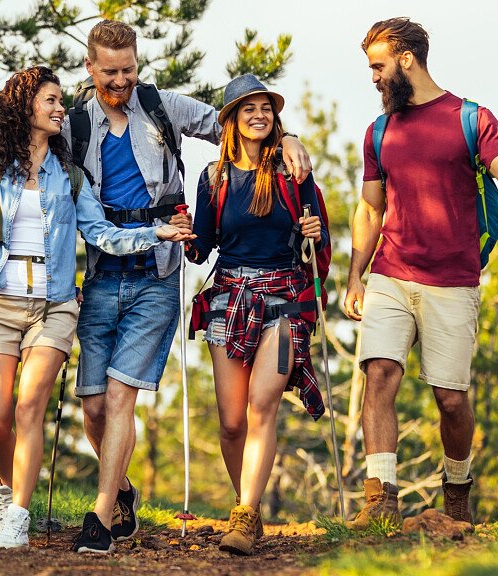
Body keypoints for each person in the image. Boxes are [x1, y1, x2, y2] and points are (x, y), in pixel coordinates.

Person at [66, 19, 313, 554]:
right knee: (93, 409)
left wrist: (288, 133)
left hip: (158, 269)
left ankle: (101, 518)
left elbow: (236, 123)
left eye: (129, 69)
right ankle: (125, 496)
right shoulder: (73, 125)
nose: (121, 80)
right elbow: (36, 162)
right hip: (104, 268)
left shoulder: (162, 106)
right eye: (109, 72)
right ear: (90, 69)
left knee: (121, 393)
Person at [0, 66, 193, 549]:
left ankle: (17, 519)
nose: (61, 110)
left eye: (60, 101)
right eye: (51, 101)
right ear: (24, 106)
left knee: (30, 405)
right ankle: (8, 487)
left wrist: (154, 233)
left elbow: (101, 234)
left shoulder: (71, 177)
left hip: (53, 307)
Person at [345, 17, 498, 528]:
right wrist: (355, 275)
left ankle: (456, 489)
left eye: (378, 66)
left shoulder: (471, 118)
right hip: (391, 271)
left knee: (450, 399)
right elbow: (369, 209)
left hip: (453, 280)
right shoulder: (378, 131)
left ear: (406, 60)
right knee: (379, 373)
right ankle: (380, 498)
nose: (374, 77)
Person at [185, 74, 327, 555]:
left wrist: (314, 230)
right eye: (248, 109)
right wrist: (187, 235)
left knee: (263, 404)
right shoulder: (213, 178)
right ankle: (248, 501)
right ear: (230, 120)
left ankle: (243, 516)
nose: (259, 115)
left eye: (266, 108)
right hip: (229, 295)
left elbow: (318, 239)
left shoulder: (293, 170)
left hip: (284, 297)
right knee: (230, 421)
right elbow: (202, 249)